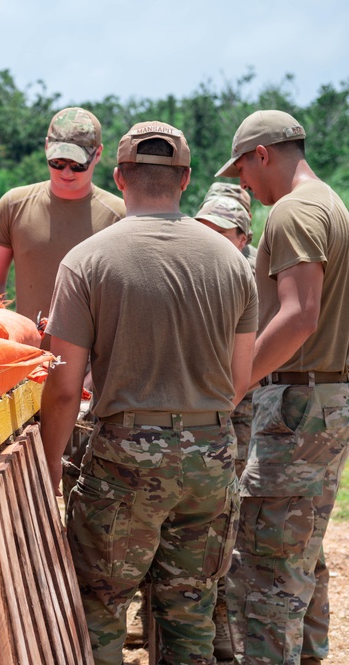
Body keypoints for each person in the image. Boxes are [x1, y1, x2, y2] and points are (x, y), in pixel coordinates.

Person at [40, 121, 258, 665]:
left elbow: (64, 388)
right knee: (190, 611)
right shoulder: (232, 262)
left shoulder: (87, 261)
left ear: (118, 177)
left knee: (102, 608)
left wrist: (48, 473)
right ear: (185, 179)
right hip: (210, 456)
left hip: (124, 460)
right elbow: (241, 375)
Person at [217, 110, 349, 665]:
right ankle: (312, 653)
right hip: (323, 397)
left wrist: (233, 387)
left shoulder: (294, 212)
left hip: (296, 402)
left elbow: (299, 316)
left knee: (268, 566)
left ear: (262, 154)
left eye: (243, 169)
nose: (244, 182)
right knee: (300, 551)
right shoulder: (331, 204)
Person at [0, 106, 126, 329]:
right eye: (57, 162)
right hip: (27, 353)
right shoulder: (13, 205)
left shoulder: (120, 216)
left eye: (77, 165)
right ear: (46, 147)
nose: (66, 173)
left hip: (93, 359)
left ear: (98, 154)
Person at [194, 188, 258, 661]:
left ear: (243, 237)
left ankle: (223, 637)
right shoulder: (194, 270)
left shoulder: (252, 277)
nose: (211, 239)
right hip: (203, 418)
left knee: (227, 530)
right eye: (206, 230)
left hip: (239, 415)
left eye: (222, 232)